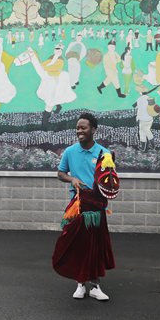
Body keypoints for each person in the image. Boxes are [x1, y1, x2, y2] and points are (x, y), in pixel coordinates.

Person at [54, 113, 115, 301]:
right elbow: (60, 173)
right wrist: (72, 179)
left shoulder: (103, 153)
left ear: (93, 130)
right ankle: (80, 284)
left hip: (96, 207)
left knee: (95, 246)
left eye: (83, 128)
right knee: (78, 245)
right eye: (78, 128)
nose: (79, 131)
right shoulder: (70, 152)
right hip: (77, 206)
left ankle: (95, 286)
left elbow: (111, 181)